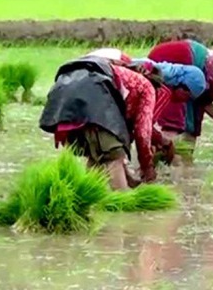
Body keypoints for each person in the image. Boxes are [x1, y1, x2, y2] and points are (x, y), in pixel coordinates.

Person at [39, 52, 158, 189]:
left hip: (62, 98)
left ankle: (86, 200)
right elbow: (142, 132)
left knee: (96, 156)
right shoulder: (146, 86)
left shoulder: (117, 73)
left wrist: (128, 175)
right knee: (114, 157)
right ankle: (122, 204)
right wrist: (147, 167)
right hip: (93, 96)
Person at [130, 58, 208, 164]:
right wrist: (165, 143)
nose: (185, 101)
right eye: (188, 96)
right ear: (182, 85)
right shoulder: (162, 91)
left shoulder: (154, 69)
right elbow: (144, 127)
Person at [147, 39, 209, 139]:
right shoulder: (157, 81)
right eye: (187, 97)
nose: (184, 101)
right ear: (183, 87)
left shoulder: (164, 81)